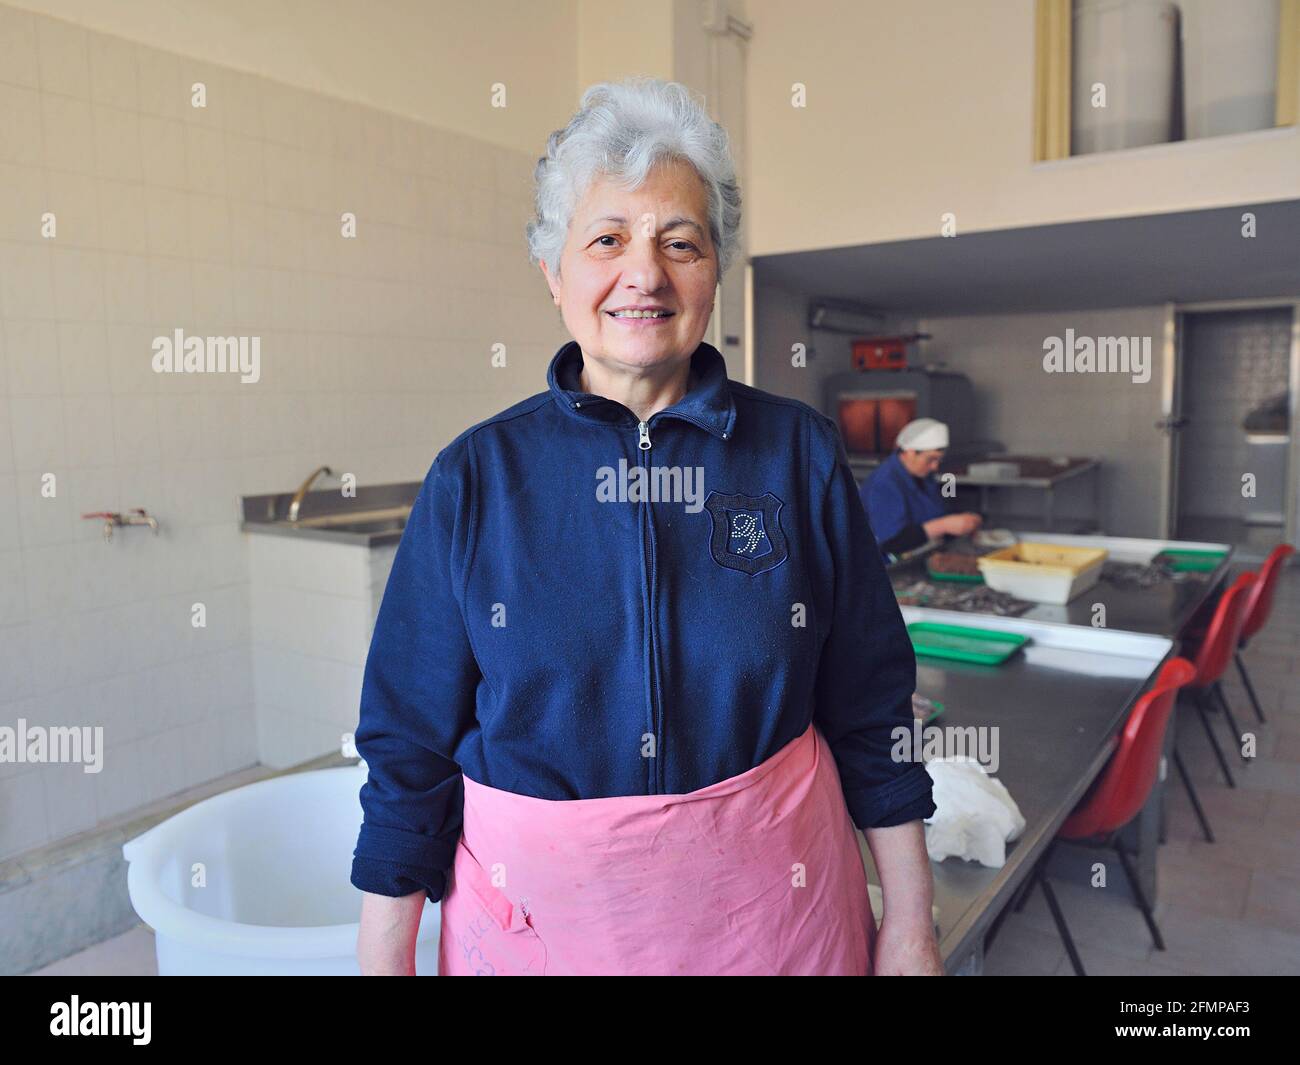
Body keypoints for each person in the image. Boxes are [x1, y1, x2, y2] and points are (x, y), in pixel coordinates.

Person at [350, 77, 941, 976]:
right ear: (555, 275)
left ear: (714, 272)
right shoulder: (475, 479)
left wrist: (909, 922)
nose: (645, 274)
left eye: (680, 242)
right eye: (607, 240)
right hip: (543, 934)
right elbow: (408, 746)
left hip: (777, 925)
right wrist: (382, 960)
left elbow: (869, 703)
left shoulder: (801, 456)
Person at [861, 418, 982, 559]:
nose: (935, 467)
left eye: (939, 460)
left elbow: (936, 511)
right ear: (910, 452)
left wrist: (962, 521)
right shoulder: (884, 483)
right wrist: (944, 525)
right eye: (931, 459)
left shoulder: (924, 476)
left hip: (922, 553)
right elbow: (891, 542)